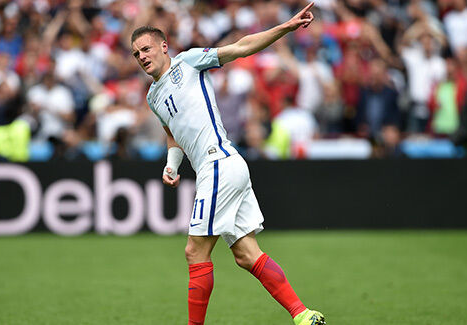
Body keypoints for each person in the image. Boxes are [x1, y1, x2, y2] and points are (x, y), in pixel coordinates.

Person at [130, 3, 325, 325]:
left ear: (164, 46)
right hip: (222, 166)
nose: (142, 57)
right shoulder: (153, 96)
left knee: (195, 252)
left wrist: (285, 28)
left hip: (217, 163)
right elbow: (173, 134)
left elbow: (241, 48)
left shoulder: (189, 62)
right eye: (136, 54)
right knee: (247, 255)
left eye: (146, 49)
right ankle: (303, 314)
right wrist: (172, 164)